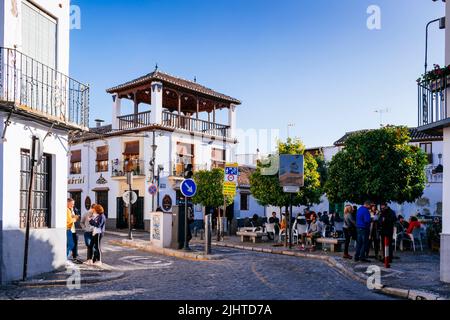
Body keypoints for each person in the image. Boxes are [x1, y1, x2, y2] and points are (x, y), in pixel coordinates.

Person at [66, 198, 80, 263]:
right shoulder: (66, 210)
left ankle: (74, 257)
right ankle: (65, 258)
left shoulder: (71, 209)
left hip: (72, 229)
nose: (73, 205)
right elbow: (69, 221)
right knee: (70, 244)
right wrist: (75, 219)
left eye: (73, 204)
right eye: (72, 204)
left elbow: (72, 217)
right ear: (67, 203)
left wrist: (74, 216)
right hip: (68, 229)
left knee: (74, 243)